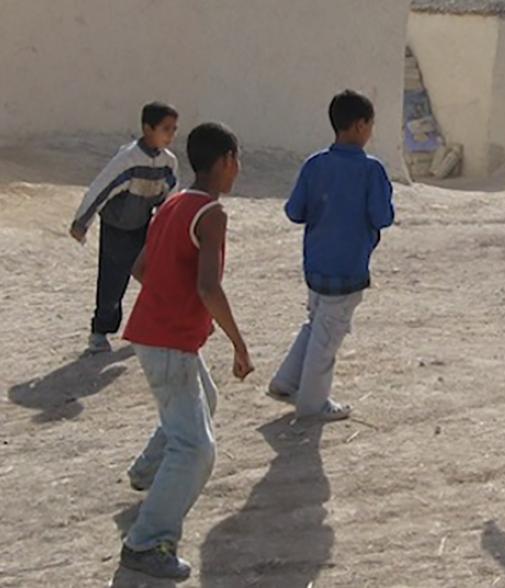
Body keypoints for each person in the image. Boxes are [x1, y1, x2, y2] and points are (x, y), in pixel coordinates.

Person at [119, 122, 254, 580]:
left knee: (205, 401)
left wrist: (169, 304)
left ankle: (147, 471)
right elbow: (208, 286)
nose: (239, 170)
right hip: (169, 341)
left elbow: (142, 267)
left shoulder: (174, 203)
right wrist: (238, 342)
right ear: (226, 161)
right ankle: (147, 541)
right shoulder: (211, 214)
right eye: (237, 161)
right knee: (196, 448)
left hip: (153, 333)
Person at [268, 90, 394, 421]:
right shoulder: (371, 170)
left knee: (316, 323)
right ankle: (312, 403)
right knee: (328, 336)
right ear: (358, 126)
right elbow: (382, 216)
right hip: (349, 266)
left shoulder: (315, 164)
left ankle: (286, 381)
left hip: (316, 263)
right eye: (369, 124)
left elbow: (295, 211)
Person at [70, 101, 179, 354]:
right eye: (166, 128)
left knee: (157, 275)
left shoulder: (168, 163)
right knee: (112, 281)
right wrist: (81, 222)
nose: (171, 134)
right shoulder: (128, 159)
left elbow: (171, 199)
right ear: (147, 128)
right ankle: (100, 333)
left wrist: (168, 230)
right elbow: (101, 189)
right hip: (117, 228)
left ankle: (155, 326)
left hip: (144, 226)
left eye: (174, 129)